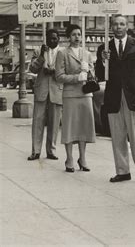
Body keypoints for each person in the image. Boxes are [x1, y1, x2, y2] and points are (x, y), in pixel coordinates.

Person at [95, 15, 135, 185]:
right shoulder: (104, 48)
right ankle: (122, 171)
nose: (118, 27)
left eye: (122, 24)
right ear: (111, 27)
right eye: (115, 24)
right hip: (114, 97)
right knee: (118, 136)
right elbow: (99, 74)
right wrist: (103, 61)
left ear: (127, 26)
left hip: (134, 98)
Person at [55, 24, 95, 172]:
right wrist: (77, 77)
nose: (77, 37)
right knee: (70, 126)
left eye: (79, 34)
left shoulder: (87, 54)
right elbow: (59, 76)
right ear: (68, 37)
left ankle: (82, 158)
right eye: (73, 34)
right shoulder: (62, 53)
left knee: (84, 126)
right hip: (70, 94)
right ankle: (69, 158)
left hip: (86, 94)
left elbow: (93, 77)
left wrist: (89, 70)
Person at [28, 28, 63, 161]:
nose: (52, 41)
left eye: (55, 38)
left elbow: (65, 71)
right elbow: (32, 68)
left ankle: (51, 150)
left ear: (59, 38)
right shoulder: (38, 51)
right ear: (46, 39)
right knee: (37, 121)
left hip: (56, 90)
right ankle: (35, 151)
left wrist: (55, 71)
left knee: (54, 123)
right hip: (41, 90)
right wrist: (42, 56)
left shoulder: (63, 53)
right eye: (50, 39)